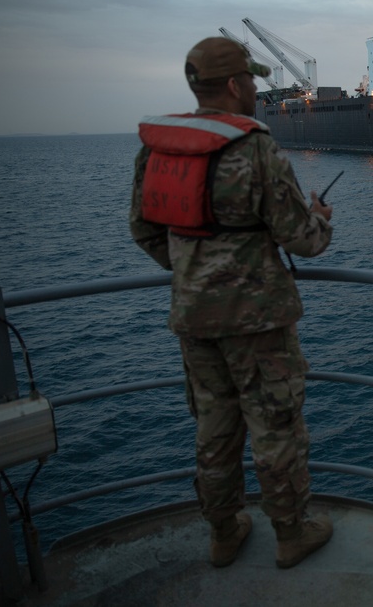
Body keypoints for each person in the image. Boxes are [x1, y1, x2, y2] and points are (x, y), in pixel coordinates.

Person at [129, 37, 334, 569]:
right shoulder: (255, 147)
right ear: (235, 84)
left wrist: (191, 272)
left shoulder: (159, 147)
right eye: (251, 79)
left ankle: (223, 532)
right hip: (258, 319)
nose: (256, 89)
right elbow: (301, 239)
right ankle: (291, 533)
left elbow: (143, 231)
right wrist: (322, 220)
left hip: (193, 319)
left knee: (214, 429)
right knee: (275, 426)